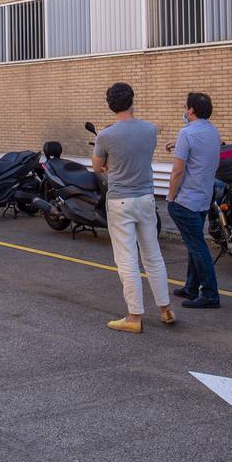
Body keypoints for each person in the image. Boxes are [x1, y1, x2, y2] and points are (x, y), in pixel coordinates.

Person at [93, 82, 174, 333]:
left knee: (127, 259)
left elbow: (97, 167)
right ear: (132, 100)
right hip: (146, 198)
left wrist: (108, 166)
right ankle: (166, 309)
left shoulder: (106, 135)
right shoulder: (150, 130)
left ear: (110, 105)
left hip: (120, 200)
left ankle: (134, 316)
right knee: (153, 255)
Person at [165, 92, 223, 309]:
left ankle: (210, 294)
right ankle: (191, 287)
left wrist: (171, 197)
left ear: (191, 110)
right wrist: (176, 142)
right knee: (194, 242)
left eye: (185, 106)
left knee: (197, 246)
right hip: (203, 198)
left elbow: (177, 171)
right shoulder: (213, 132)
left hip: (186, 200)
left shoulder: (187, 133)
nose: (184, 109)